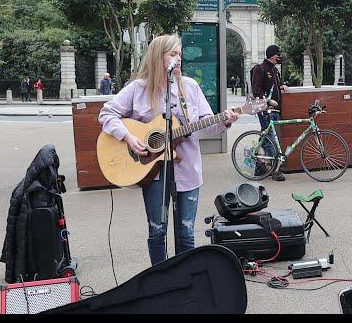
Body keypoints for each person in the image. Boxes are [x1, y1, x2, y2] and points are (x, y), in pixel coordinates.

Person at [98, 34, 241, 266]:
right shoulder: (138, 88)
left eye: (180, 54)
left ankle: (187, 278)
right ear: (158, 57)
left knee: (186, 233)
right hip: (153, 173)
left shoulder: (190, 88)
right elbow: (106, 114)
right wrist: (129, 137)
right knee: (157, 231)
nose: (179, 59)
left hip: (188, 171)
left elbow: (208, 123)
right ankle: (159, 279)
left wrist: (226, 120)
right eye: (173, 54)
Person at [251, 44, 289, 181]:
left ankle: (260, 167)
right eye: (279, 55)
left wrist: (282, 85)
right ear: (273, 56)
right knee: (270, 139)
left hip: (275, 110)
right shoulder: (260, 69)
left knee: (266, 137)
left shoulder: (274, 70)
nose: (280, 57)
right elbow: (256, 90)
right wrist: (267, 101)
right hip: (265, 110)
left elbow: (274, 86)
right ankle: (273, 170)